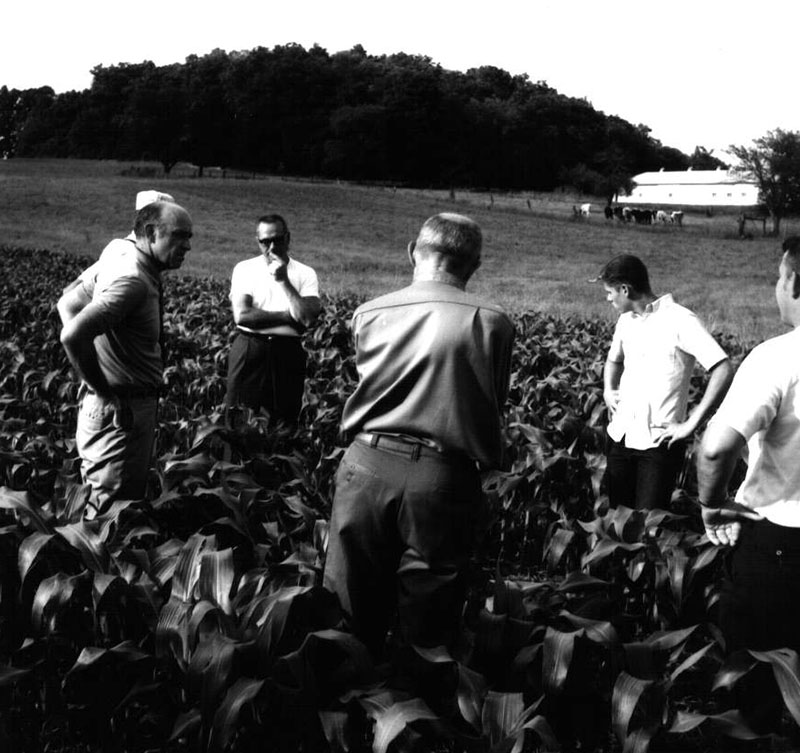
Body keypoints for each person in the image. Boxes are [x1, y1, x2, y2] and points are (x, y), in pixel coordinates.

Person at [322, 213, 515, 660]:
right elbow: (493, 402)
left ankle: (344, 708)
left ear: (413, 251)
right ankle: (412, 716)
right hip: (442, 476)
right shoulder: (493, 322)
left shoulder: (369, 313)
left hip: (366, 465)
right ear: (475, 264)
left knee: (348, 604)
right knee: (430, 619)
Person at [696, 237, 800, 734]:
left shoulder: (778, 356)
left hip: (779, 540)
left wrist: (711, 505)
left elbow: (716, 447)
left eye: (779, 278)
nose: (776, 287)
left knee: (756, 681)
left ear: (795, 282)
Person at [57, 201, 193, 516]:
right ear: (149, 232)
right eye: (179, 236)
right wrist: (103, 391)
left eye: (190, 237)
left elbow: (67, 303)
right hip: (121, 410)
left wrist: (104, 362)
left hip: (121, 406)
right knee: (109, 516)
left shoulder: (119, 255)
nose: (187, 245)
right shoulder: (133, 280)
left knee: (112, 504)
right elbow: (72, 335)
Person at [596, 254, 733, 510]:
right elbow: (613, 361)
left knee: (648, 529)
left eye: (610, 292)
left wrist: (691, 423)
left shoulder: (680, 320)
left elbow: (723, 368)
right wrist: (608, 390)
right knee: (618, 524)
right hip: (620, 437)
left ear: (625, 289)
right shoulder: (625, 321)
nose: (608, 298)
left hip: (659, 445)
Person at [225, 214, 321, 423]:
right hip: (250, 348)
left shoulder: (305, 273)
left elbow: (306, 318)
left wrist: (283, 280)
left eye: (277, 239)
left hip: (287, 352)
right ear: (257, 241)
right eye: (264, 241)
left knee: (284, 423)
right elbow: (243, 316)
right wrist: (288, 317)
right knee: (238, 419)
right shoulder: (245, 269)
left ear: (288, 238)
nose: (271, 246)